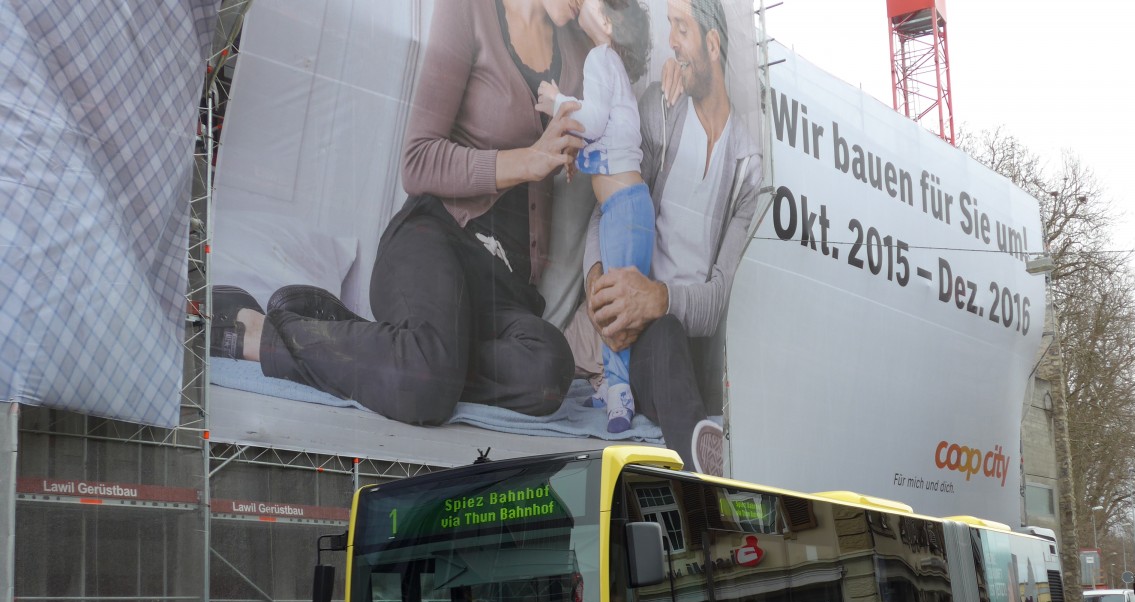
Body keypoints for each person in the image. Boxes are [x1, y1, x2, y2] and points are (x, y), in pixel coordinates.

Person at [209, 0, 591, 424]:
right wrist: (527, 161)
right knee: (425, 389)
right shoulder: (469, 11)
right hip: (434, 242)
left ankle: (384, 346)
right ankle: (259, 333)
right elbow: (417, 161)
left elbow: (624, 94)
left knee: (548, 370)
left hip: (503, 285)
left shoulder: (579, 51)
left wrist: (613, 37)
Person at [569, 0, 763, 474]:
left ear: (712, 44)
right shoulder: (660, 109)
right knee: (661, 337)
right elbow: (609, 210)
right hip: (636, 339)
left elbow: (717, 298)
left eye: (681, 28)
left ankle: (704, 473)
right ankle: (702, 461)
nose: (671, 40)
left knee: (674, 333)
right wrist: (598, 281)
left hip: (688, 340)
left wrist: (658, 299)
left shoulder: (747, 167)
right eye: (669, 27)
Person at [536, 0, 653, 433]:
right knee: (607, 297)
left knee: (614, 305)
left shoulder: (599, 57)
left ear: (606, 21)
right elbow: (609, 135)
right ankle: (611, 382)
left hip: (622, 209)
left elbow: (595, 118)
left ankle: (620, 391)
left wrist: (555, 102)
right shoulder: (613, 67)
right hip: (623, 207)